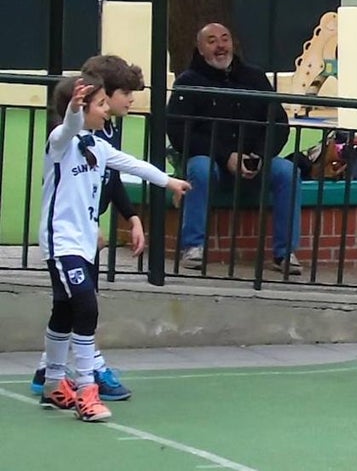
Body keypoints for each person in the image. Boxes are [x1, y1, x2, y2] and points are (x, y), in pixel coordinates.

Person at [38, 76, 189, 422]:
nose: (108, 110)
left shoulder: (98, 147)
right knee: (86, 307)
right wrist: (74, 110)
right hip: (62, 242)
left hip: (84, 242)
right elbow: (68, 126)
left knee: (64, 310)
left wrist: (169, 182)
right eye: (101, 104)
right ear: (81, 108)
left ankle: (53, 383)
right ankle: (86, 390)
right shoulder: (60, 142)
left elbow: (132, 164)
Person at [31, 55, 147, 402]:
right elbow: (65, 183)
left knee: (74, 305)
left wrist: (132, 216)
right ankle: (89, 372)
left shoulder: (105, 130)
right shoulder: (71, 132)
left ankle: (47, 370)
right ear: (104, 95)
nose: (130, 99)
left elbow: (111, 176)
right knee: (82, 304)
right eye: (124, 91)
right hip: (71, 232)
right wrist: (89, 220)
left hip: (85, 228)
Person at [167, 23, 302, 275]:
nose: (220, 46)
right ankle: (193, 247)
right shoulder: (189, 82)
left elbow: (278, 123)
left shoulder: (255, 77)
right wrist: (226, 156)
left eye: (225, 39)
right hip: (213, 161)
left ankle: (285, 253)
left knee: (287, 172)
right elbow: (179, 132)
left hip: (254, 159)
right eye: (212, 41)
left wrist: (260, 155)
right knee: (199, 168)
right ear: (200, 48)